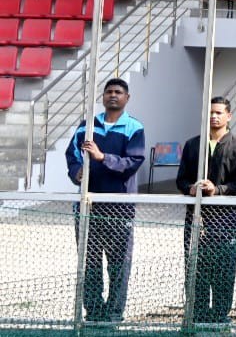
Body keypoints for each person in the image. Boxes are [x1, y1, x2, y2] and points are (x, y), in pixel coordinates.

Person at [66, 77, 146, 323]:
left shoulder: (134, 128)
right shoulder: (88, 126)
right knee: (89, 262)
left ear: (127, 98)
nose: (113, 95)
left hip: (119, 208)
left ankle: (113, 313)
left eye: (118, 92)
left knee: (119, 265)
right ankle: (93, 311)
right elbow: (72, 154)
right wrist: (76, 171)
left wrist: (102, 157)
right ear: (102, 97)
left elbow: (133, 162)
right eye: (109, 91)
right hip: (88, 206)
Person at [176, 95, 236, 325]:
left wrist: (216, 190)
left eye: (219, 112)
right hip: (196, 218)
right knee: (196, 267)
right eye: (210, 112)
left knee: (223, 269)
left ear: (229, 116)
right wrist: (190, 188)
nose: (214, 116)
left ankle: (220, 316)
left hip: (225, 219)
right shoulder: (192, 145)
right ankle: (197, 315)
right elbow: (181, 179)